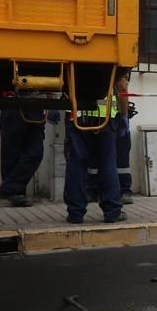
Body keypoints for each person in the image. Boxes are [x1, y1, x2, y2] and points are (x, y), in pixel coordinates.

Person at [64, 96, 125, 224]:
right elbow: (122, 86)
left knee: (76, 164)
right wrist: (124, 114)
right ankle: (112, 212)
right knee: (107, 163)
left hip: (77, 115)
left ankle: (75, 213)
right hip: (106, 117)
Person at [87, 71, 134, 204]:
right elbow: (123, 88)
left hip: (90, 116)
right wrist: (124, 116)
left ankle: (92, 191)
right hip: (114, 118)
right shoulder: (118, 64)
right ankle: (123, 191)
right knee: (119, 157)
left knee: (95, 157)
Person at [0, 108, 45, 207]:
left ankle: (8, 189)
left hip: (35, 106)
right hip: (12, 105)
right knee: (11, 155)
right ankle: (16, 195)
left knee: (35, 152)